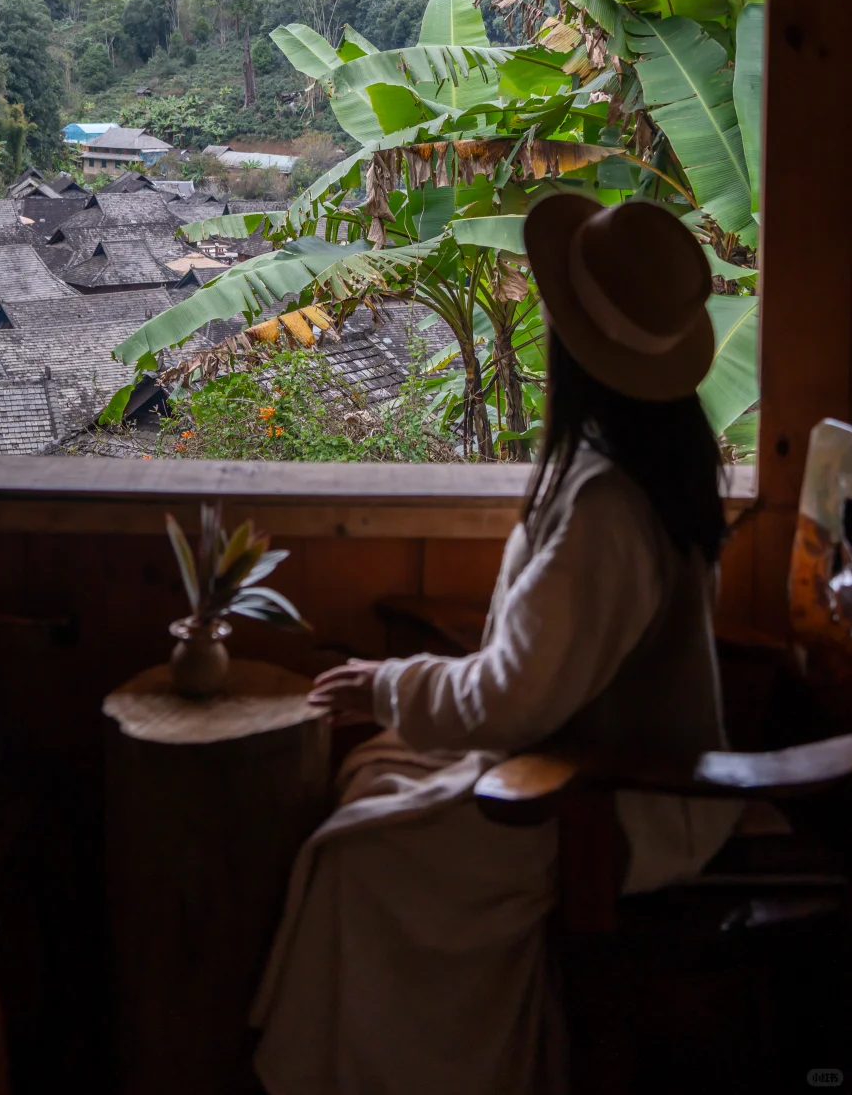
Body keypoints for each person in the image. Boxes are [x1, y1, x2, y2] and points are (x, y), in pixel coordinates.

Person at [251, 193, 745, 1095]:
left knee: (355, 857)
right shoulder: (649, 463)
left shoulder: (605, 508)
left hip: (610, 803)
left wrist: (385, 686)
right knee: (367, 791)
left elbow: (513, 697)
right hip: (605, 771)